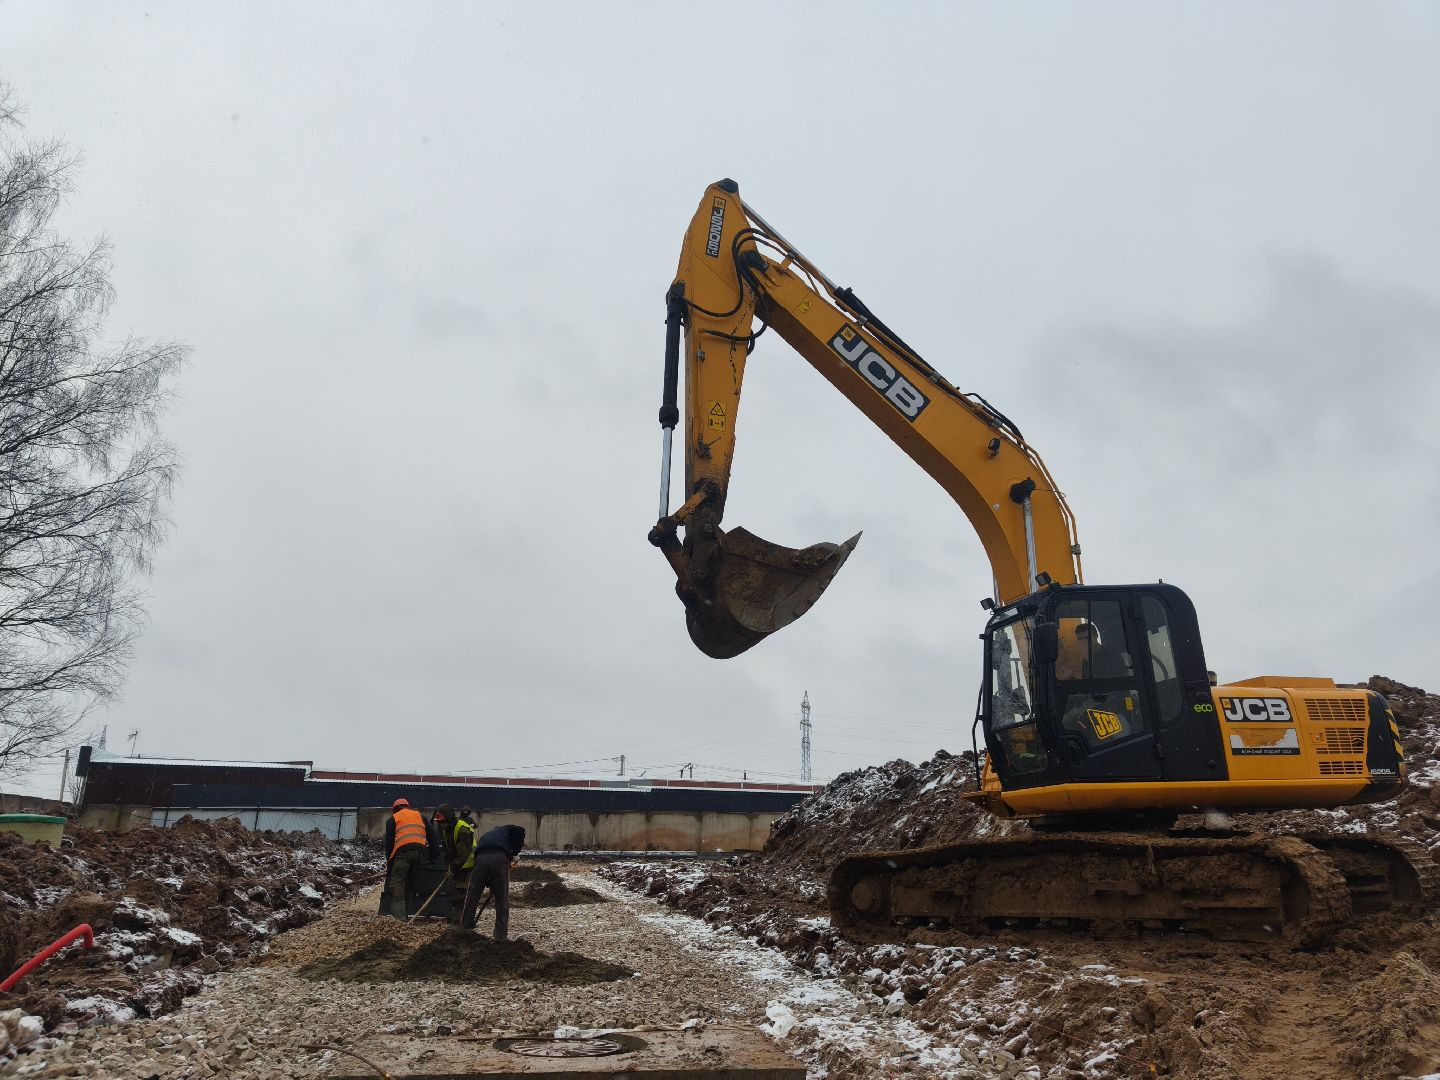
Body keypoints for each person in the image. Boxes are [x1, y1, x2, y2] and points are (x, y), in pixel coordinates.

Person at [460, 823, 526, 939]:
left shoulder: (488, 835)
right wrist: (515, 853)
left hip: (480, 860)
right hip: (499, 859)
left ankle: (465, 929)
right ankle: (500, 936)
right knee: (502, 900)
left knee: (472, 896)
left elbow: (486, 866)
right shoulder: (512, 830)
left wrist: (490, 885)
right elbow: (521, 832)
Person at [383, 797, 429, 920]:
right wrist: (433, 856)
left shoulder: (393, 819)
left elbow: (389, 845)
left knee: (397, 883)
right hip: (419, 853)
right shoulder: (420, 816)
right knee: (409, 882)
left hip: (403, 853)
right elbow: (433, 836)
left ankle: (399, 919)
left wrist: (390, 865)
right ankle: (407, 914)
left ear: (395, 810)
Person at [431, 804, 475, 924]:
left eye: (443, 822)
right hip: (457, 865)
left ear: (449, 819)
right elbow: (447, 850)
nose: (441, 825)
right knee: (455, 893)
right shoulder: (446, 830)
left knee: (462, 894)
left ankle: (463, 923)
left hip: (467, 865)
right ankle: (456, 920)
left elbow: (464, 854)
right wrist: (449, 865)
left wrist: (453, 867)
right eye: (439, 823)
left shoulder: (462, 829)